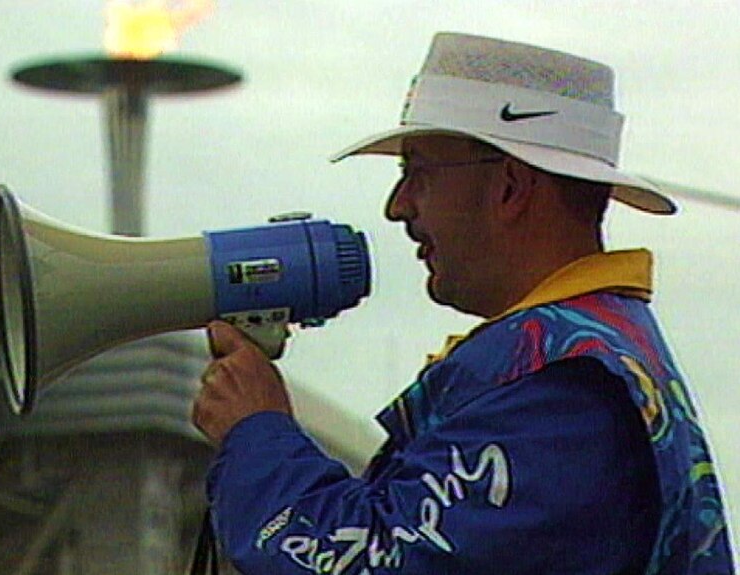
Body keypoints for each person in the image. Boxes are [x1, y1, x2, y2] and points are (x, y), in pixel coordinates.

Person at [191, 32, 735, 574]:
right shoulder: (584, 362)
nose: (397, 206)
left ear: (511, 187)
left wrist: (256, 431)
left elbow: (369, 563)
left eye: (418, 172)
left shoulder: (564, 393)